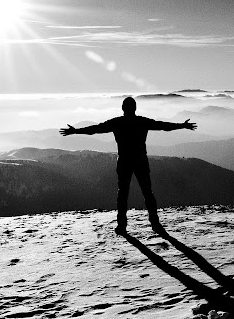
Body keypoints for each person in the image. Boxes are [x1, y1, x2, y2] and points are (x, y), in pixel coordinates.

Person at [60, 96, 196, 234]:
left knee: (123, 194)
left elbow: (95, 129)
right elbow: (163, 126)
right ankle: (155, 223)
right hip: (140, 160)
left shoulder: (117, 122)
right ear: (135, 108)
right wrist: (182, 126)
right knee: (147, 192)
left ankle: (122, 226)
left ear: (123, 108)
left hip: (124, 161)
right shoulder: (142, 121)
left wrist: (75, 131)